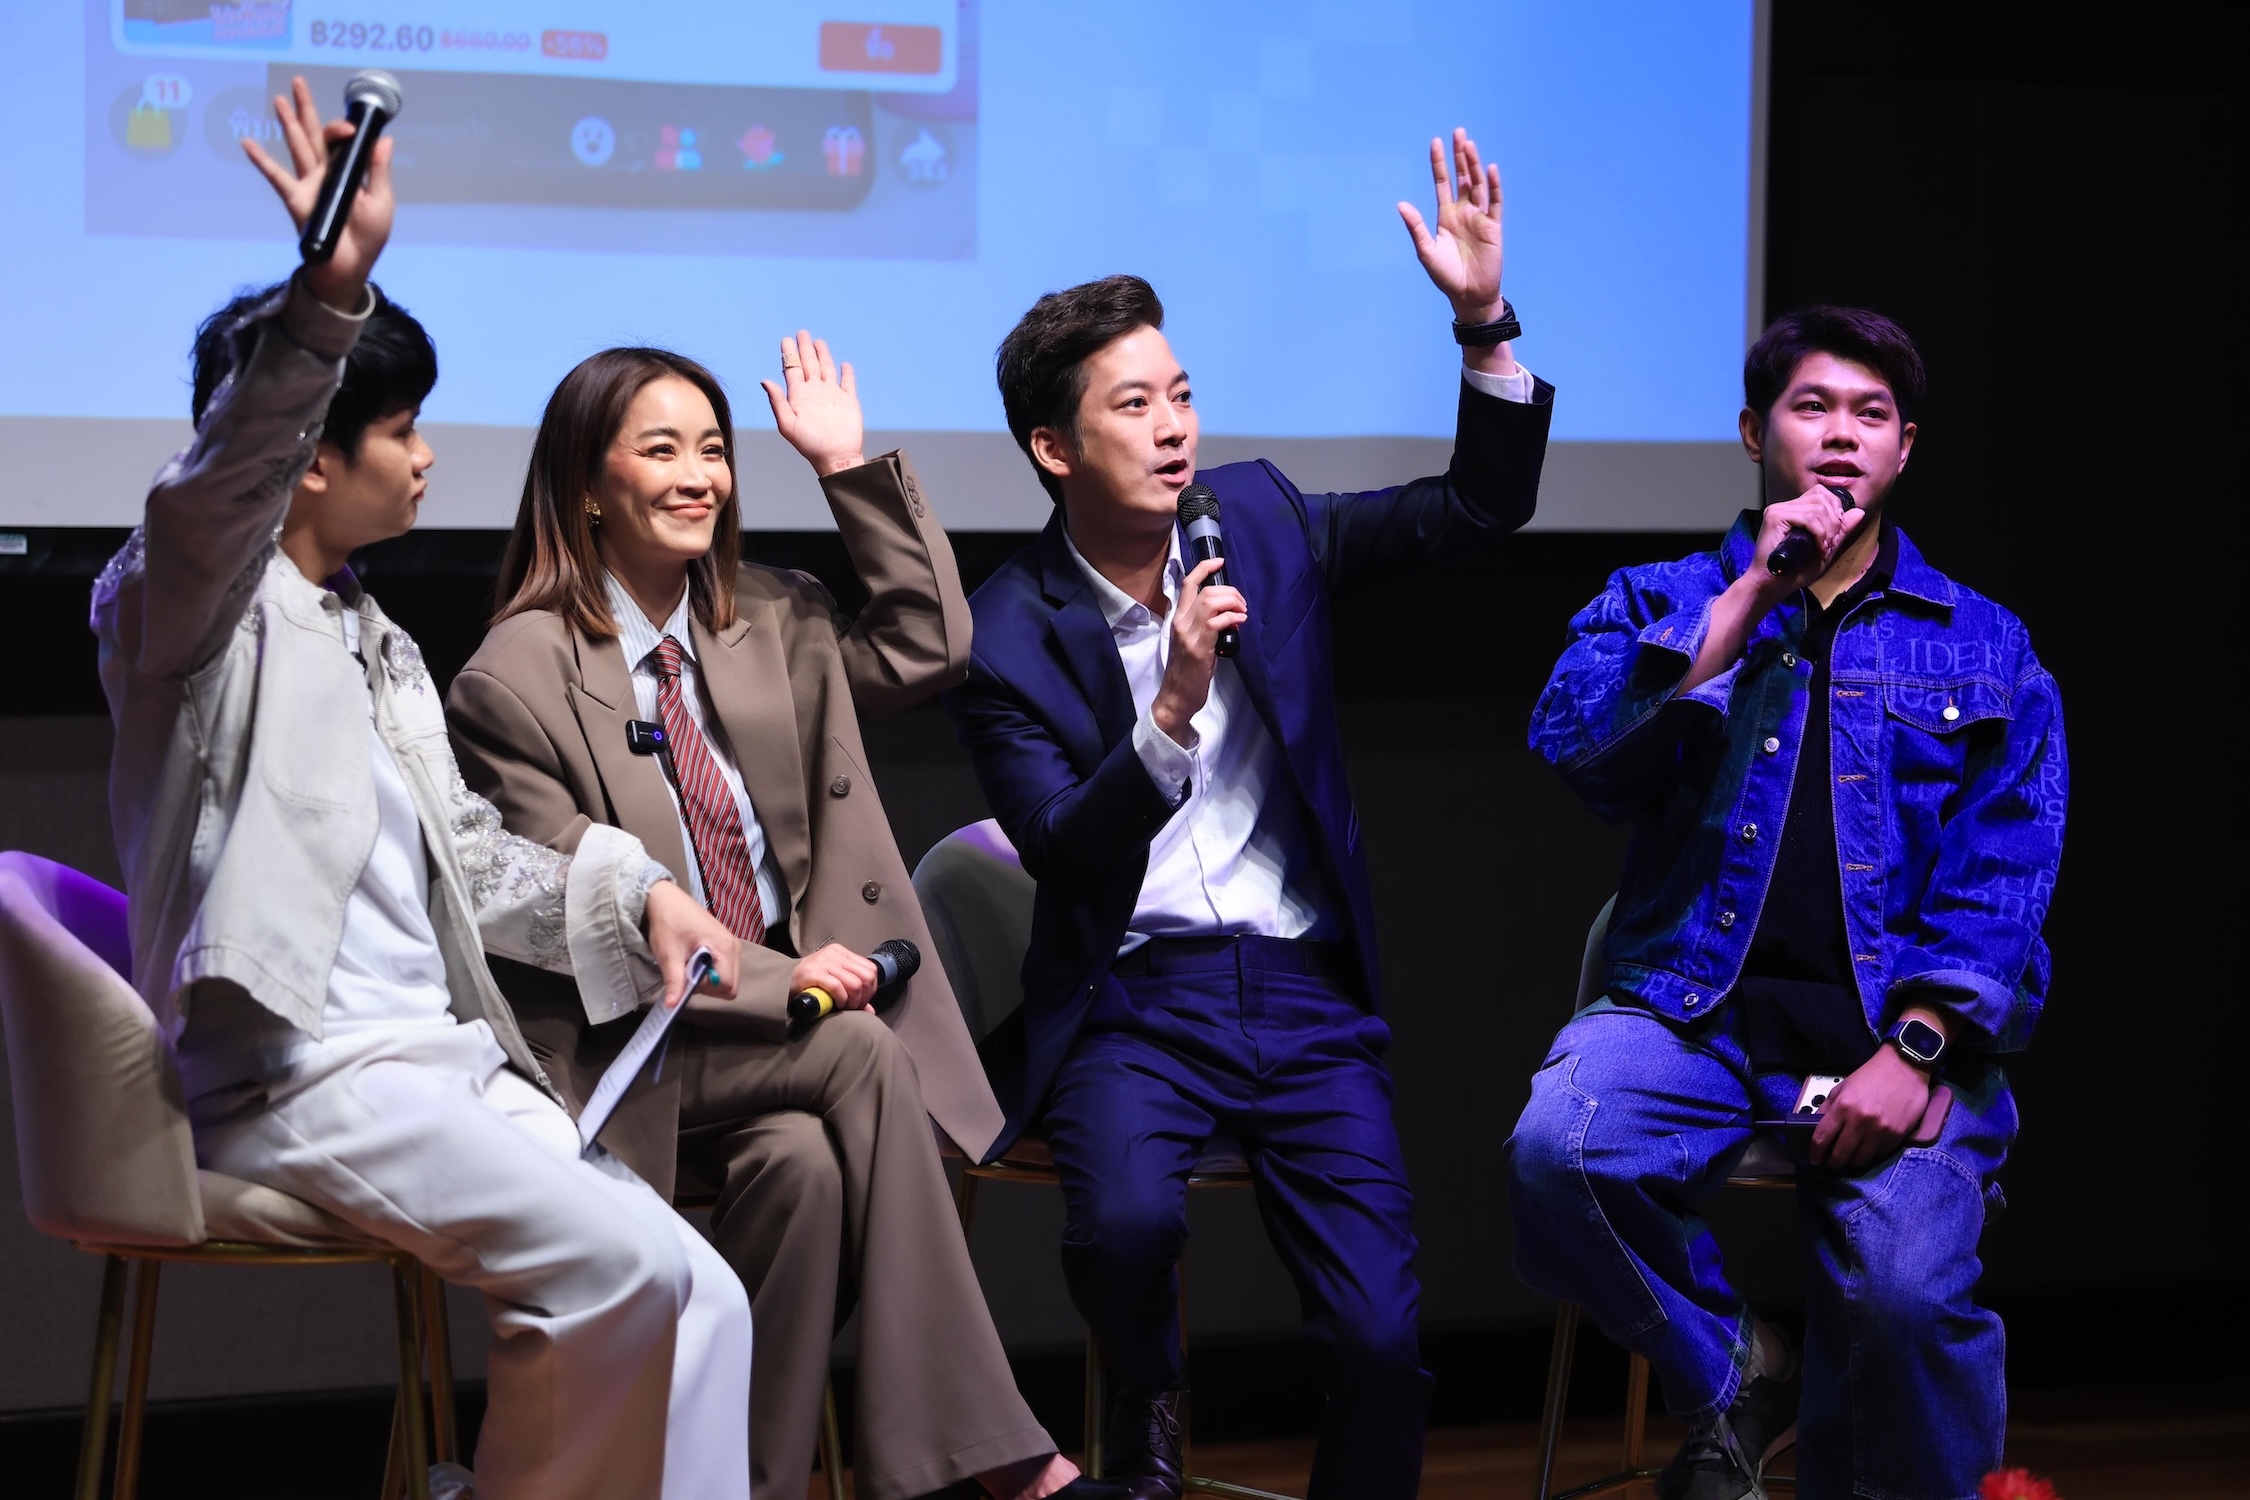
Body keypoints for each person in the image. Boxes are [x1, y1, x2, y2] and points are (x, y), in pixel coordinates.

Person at [90, 79, 753, 1500]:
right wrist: (328, 300)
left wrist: (639, 896)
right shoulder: (188, 612)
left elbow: (468, 851)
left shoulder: (368, 633)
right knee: (616, 1270)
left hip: (440, 1061)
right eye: (400, 428)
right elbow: (210, 493)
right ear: (309, 457)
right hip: (297, 1071)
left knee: (706, 1295)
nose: (429, 453)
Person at [941, 130, 1554, 1500]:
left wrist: (1481, 322)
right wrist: (1168, 707)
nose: (1173, 428)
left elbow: (1477, 507)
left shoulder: (1260, 523)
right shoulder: (1006, 635)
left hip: (1300, 988)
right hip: (1131, 996)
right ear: (1052, 447)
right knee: (1124, 1228)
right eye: (1132, 405)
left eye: (1181, 395)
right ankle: (1146, 1407)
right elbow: (1063, 848)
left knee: (1380, 1340)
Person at [444, 342, 1121, 1500]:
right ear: (587, 486)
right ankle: (1004, 1460)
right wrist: (794, 982)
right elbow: (587, 917)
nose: (698, 475)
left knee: (801, 1172)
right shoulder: (515, 676)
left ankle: (742, 1485)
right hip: (641, 1040)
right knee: (861, 1050)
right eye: (662, 450)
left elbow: (930, 644)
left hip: (779, 1041)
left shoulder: (773, 613)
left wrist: (847, 468)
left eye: (713, 449)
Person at [1511, 307, 2067, 1500]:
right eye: (1812, 408)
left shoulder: (1984, 645)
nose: (1841, 435)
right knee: (1561, 1149)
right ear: (1755, 432)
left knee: (1903, 1295)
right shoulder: (1658, 597)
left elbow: (2007, 874)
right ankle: (1738, 1372)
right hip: (1691, 1014)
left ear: (1905, 448)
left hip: (1893, 1033)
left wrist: (1919, 1046)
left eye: (1872, 415)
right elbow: (1576, 746)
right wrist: (1754, 594)